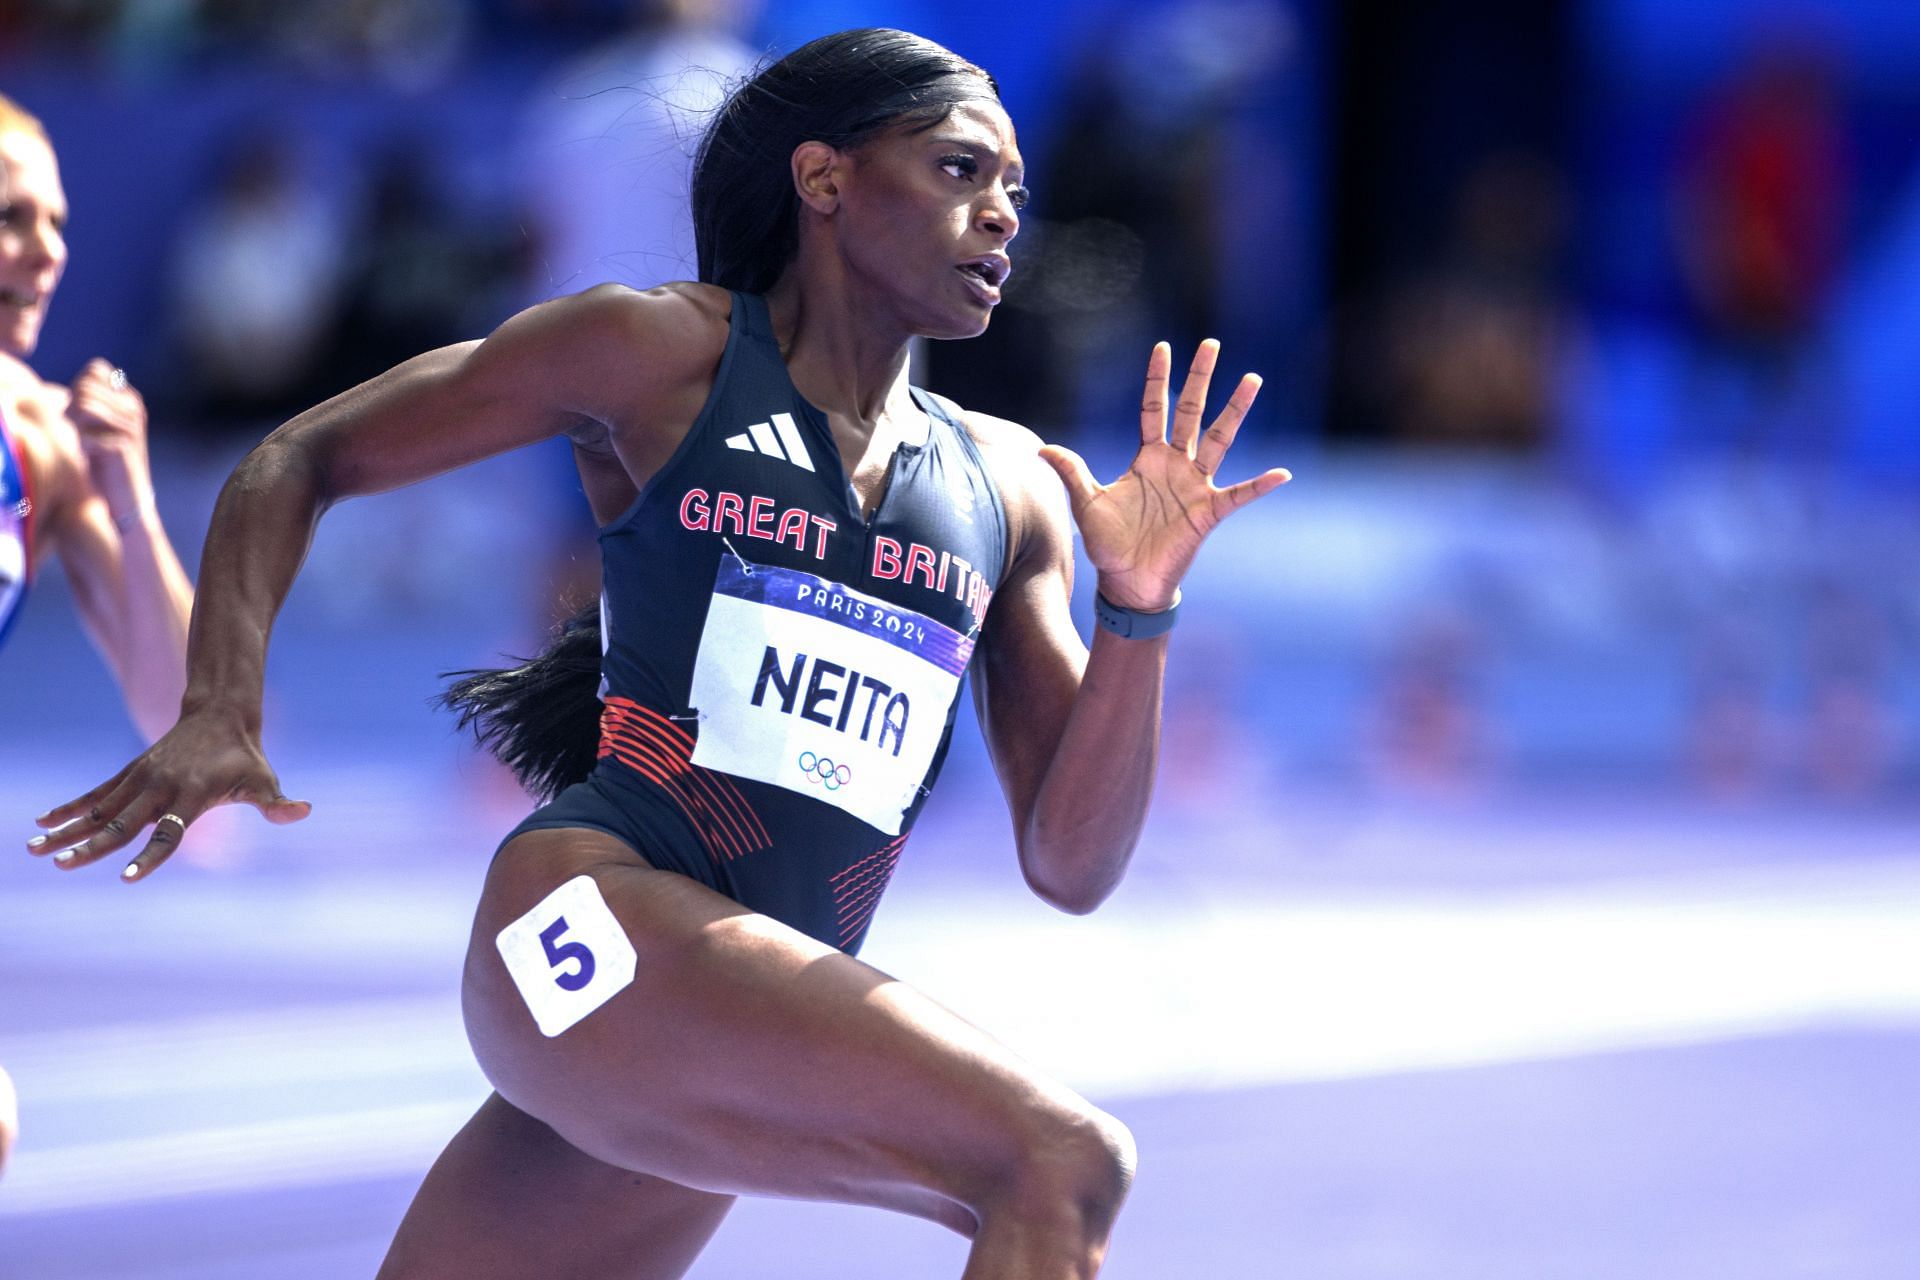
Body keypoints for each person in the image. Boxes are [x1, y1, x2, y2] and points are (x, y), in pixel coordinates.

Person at [29, 29, 1288, 1276]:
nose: (1006, 214)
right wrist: (218, 703)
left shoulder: (1007, 488)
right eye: (964, 170)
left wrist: (1138, 608)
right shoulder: (661, 354)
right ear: (826, 179)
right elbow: (298, 455)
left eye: (1017, 185)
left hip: (726, 1006)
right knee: (1061, 1159)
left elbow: (1073, 862)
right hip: (585, 926)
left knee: (1044, 1170)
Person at [2, 90, 196, 1179]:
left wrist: (130, 499)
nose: (44, 253)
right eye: (9, 219)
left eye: (57, 222)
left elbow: (178, 710)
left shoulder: (41, 442)